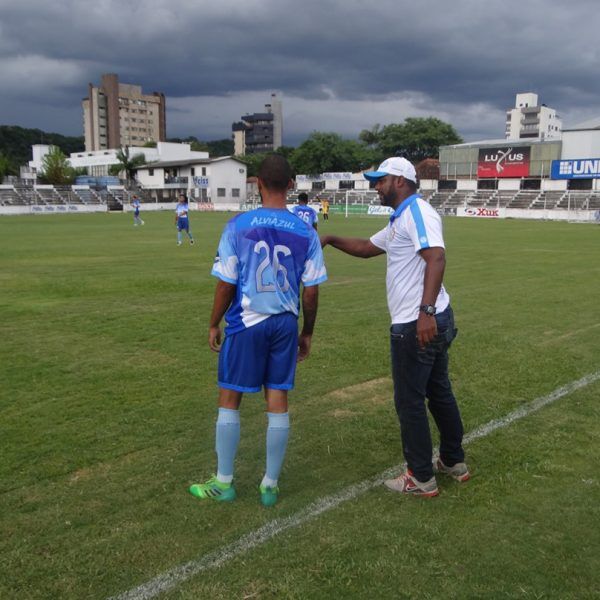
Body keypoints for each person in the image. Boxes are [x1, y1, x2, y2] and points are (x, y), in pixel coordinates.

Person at [321, 157, 468, 497]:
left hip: (417, 322)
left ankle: (420, 477)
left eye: (380, 180)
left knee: (410, 401)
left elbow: (437, 257)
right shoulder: (400, 218)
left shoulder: (417, 212)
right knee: (438, 391)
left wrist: (425, 312)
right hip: (429, 317)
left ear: (400, 180)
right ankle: (453, 461)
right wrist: (330, 238)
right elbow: (368, 248)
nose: (376, 186)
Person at [189, 155, 327, 507]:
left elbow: (226, 284)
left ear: (257, 183)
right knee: (277, 397)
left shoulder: (238, 225)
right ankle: (270, 484)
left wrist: (212, 322)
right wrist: (306, 332)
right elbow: (311, 292)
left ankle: (224, 482)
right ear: (291, 185)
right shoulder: (306, 231)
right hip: (284, 324)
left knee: (230, 396)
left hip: (247, 321)